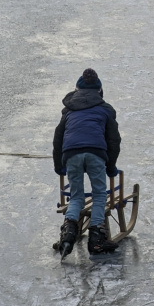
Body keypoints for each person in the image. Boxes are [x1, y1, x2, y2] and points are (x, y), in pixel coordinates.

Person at [52, 68, 121, 256]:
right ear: (100, 91)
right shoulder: (105, 110)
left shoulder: (68, 112)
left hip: (71, 153)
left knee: (76, 197)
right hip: (95, 153)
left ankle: (68, 235)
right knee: (99, 195)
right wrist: (111, 166)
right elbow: (113, 140)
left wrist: (59, 165)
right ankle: (96, 239)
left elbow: (58, 139)